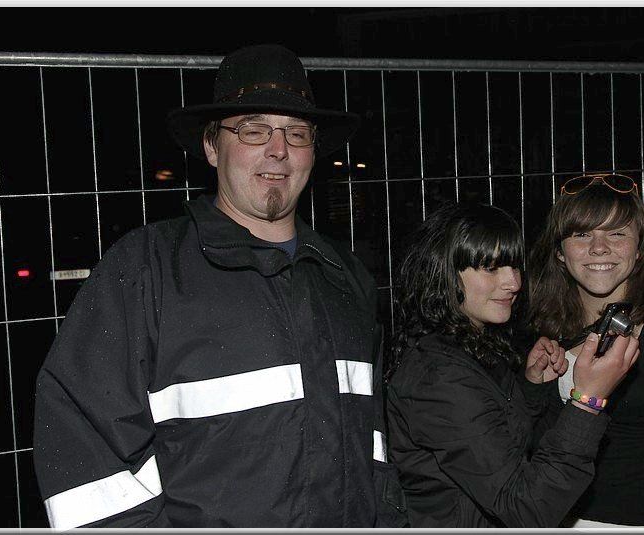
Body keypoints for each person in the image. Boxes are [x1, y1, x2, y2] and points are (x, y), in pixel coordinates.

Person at [33, 44, 405, 528]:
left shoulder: (346, 278)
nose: (279, 149)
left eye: (297, 133)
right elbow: (87, 460)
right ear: (212, 147)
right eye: (253, 129)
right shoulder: (147, 271)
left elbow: (373, 445)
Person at [386, 202, 640, 528]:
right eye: (491, 269)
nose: (513, 283)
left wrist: (531, 389)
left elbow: (496, 439)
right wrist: (588, 401)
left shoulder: (470, 343)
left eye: (513, 266)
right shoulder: (439, 376)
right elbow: (525, 508)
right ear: (444, 274)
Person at [528, 173, 644, 528]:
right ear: (560, 252)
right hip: (543, 518)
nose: (599, 248)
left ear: (639, 249)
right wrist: (532, 386)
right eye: (582, 234)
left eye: (617, 233)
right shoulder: (538, 325)